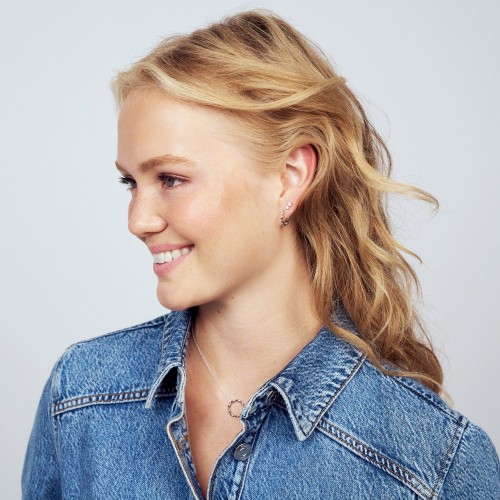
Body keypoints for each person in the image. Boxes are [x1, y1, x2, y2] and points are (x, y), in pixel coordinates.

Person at [22, 10, 499, 499]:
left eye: (171, 179)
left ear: (290, 176)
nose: (138, 220)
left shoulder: (433, 465)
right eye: (131, 182)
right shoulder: (79, 397)